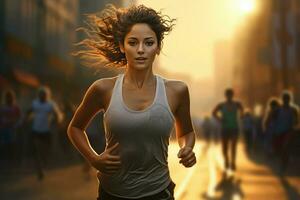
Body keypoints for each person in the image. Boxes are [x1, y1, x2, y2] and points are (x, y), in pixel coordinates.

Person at [67, 4, 196, 200]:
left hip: (159, 193)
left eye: (149, 43)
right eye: (133, 42)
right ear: (122, 45)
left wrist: (187, 148)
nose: (141, 50)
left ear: (158, 47)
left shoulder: (176, 91)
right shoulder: (103, 89)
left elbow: (186, 132)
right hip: (112, 194)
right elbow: (75, 128)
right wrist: (94, 159)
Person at [25, 86, 63, 180]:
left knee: (44, 152)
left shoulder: (50, 104)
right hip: (36, 130)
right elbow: (28, 112)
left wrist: (57, 121)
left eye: (44, 95)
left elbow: (57, 114)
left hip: (46, 131)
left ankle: (43, 166)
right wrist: (26, 120)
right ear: (39, 95)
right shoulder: (35, 103)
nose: (42, 96)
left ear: (47, 95)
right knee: (37, 151)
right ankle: (40, 170)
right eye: (41, 94)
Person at [212, 88, 243, 172]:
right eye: (228, 95)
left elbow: (242, 110)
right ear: (226, 96)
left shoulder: (237, 104)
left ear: (233, 95)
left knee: (233, 146)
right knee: (225, 148)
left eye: (231, 95)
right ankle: (226, 160)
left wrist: (241, 116)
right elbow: (213, 112)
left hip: (234, 128)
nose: (229, 96)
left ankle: (233, 162)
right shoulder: (221, 105)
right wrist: (220, 119)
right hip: (224, 128)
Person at [0, 89, 21, 161]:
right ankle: (4, 159)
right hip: (3, 128)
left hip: (12, 128)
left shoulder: (16, 107)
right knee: (3, 144)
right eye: (7, 97)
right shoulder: (2, 107)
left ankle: (11, 159)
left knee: (11, 144)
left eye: (10, 97)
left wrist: (16, 125)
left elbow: (19, 117)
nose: (9, 98)